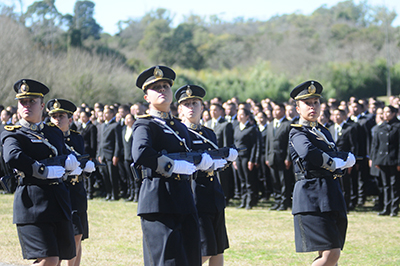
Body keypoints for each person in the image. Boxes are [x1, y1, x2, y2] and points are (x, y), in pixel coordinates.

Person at [132, 66, 213, 266]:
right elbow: (140, 152)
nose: (162, 90)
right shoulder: (145, 125)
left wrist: (202, 160)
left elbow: (187, 154)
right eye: (156, 87)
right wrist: (172, 166)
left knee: (190, 258)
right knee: (167, 261)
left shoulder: (179, 127)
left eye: (166, 86)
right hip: (158, 200)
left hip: (184, 198)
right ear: (146, 97)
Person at [1, 79, 80, 266]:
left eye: (32, 101)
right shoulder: (12, 132)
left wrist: (73, 162)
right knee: (48, 259)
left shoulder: (52, 132)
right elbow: (13, 156)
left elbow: (64, 152)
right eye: (23, 102)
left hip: (58, 201)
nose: (27, 105)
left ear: (42, 105)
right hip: (33, 203)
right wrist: (41, 170)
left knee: (60, 257)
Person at [289, 80, 355, 266]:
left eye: (316, 102)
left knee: (332, 252)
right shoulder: (298, 133)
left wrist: (345, 157)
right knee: (331, 254)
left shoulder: (323, 131)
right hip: (311, 197)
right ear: (297, 108)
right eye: (307, 103)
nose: (312, 107)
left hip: (330, 194)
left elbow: (333, 152)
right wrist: (335, 163)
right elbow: (309, 153)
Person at [176, 85, 235, 265]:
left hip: (214, 193)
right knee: (203, 250)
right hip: (195, 195)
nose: (191, 107)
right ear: (180, 109)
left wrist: (225, 160)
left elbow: (216, 162)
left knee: (217, 250)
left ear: (202, 107)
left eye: (195, 103)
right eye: (186, 104)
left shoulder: (209, 133)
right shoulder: (179, 134)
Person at [47, 99, 96, 266]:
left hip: (76, 191)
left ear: (70, 119)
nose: (57, 119)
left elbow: (81, 159)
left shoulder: (77, 138)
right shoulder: (47, 139)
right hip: (59, 191)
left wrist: (86, 169)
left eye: (61, 116)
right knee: (63, 238)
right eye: (53, 116)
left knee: (78, 236)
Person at [370, 105, 400, 217]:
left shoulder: (398, 127)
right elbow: (375, 146)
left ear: (394, 113)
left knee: (394, 185)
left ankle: (394, 208)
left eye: (388, 112)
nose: (385, 114)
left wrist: (399, 162)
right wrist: (374, 160)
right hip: (382, 160)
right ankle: (386, 207)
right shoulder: (380, 127)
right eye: (384, 112)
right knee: (385, 185)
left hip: (394, 160)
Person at [265, 103, 293, 211]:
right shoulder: (270, 124)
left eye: (277, 110)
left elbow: (289, 143)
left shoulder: (288, 124)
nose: (275, 112)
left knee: (284, 181)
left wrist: (288, 158)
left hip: (283, 158)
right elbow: (268, 142)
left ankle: (284, 202)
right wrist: (267, 157)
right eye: (274, 110)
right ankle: (277, 201)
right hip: (272, 157)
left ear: (283, 111)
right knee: (275, 181)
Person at [233, 108, 259, 209]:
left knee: (249, 180)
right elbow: (234, 143)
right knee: (242, 180)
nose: (239, 117)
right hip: (238, 157)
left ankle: (250, 201)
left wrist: (252, 160)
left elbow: (254, 146)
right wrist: (234, 159)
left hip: (247, 157)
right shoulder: (236, 128)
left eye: (242, 115)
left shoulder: (251, 128)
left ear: (247, 116)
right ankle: (243, 200)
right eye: (238, 114)